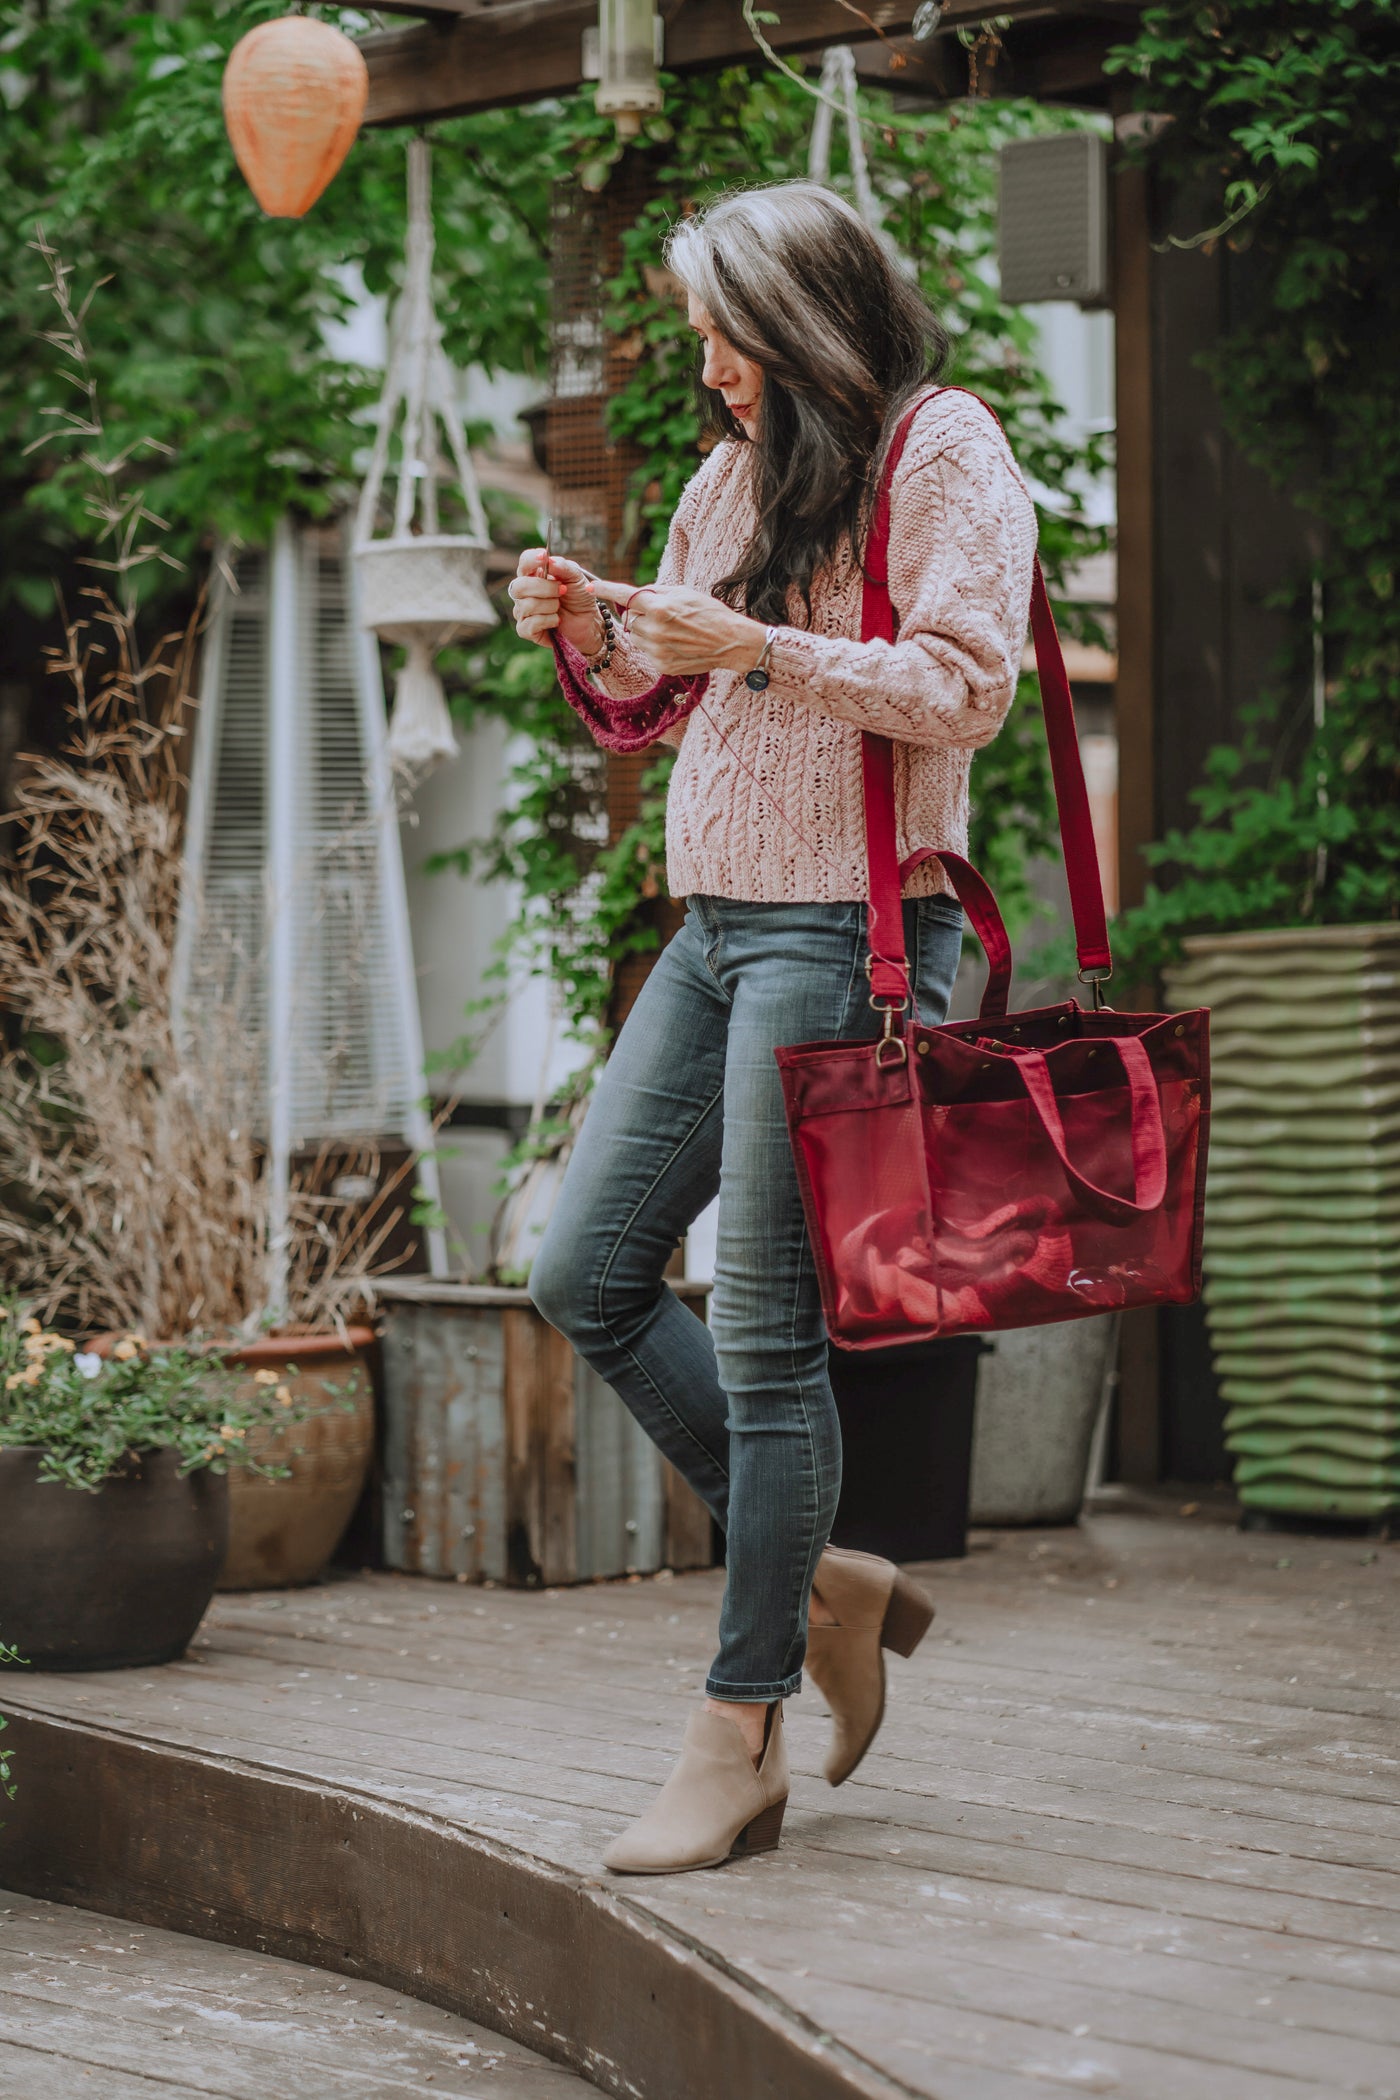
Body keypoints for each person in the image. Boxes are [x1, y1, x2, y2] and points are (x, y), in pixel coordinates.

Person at [509, 179, 1036, 1875]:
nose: (711, 367)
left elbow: (965, 683)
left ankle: (740, 1731)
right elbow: (667, 707)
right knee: (581, 1268)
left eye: (728, 333)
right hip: (720, 927)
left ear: (802, 311)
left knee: (762, 1332)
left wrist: (766, 645)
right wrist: (596, 636)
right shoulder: (734, 477)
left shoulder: (939, 451)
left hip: (855, 930)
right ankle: (821, 1580)